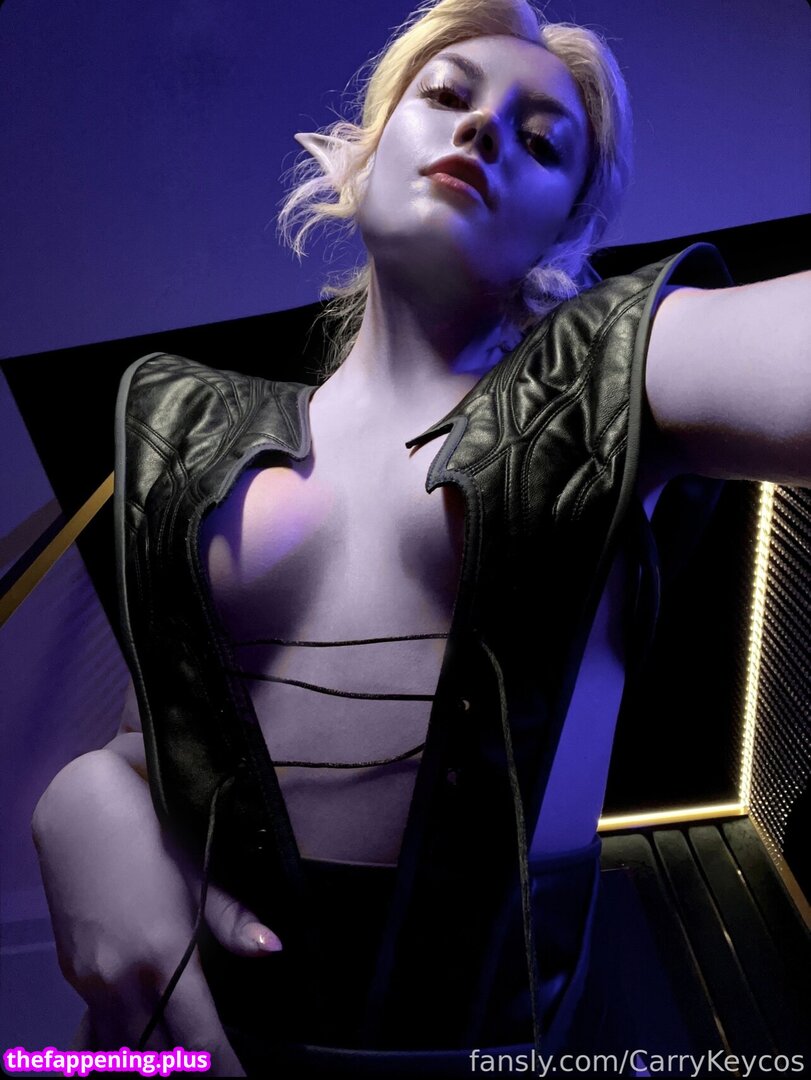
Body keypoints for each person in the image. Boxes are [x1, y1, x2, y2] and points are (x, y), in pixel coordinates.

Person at [31, 0, 809, 1076]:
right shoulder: (197, 432)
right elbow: (165, 738)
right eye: (447, 95)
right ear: (356, 155)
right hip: (166, 1050)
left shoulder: (607, 381)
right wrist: (85, 795)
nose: (484, 128)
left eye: (542, 142)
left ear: (561, 228)